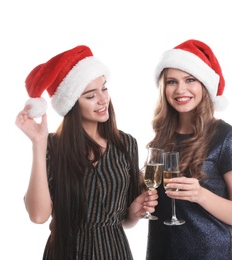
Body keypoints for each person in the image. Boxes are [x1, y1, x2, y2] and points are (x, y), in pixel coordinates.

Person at [15, 45, 158, 260]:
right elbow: (38, 215)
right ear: (72, 104)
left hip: (114, 251)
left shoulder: (126, 144)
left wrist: (134, 212)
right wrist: (38, 143)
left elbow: (125, 221)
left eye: (104, 88)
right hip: (66, 252)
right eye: (90, 95)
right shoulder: (52, 146)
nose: (103, 99)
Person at [146, 39, 232, 260]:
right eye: (172, 81)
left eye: (190, 79)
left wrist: (201, 195)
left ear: (204, 84)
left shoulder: (226, 137)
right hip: (160, 253)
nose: (180, 89)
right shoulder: (162, 138)